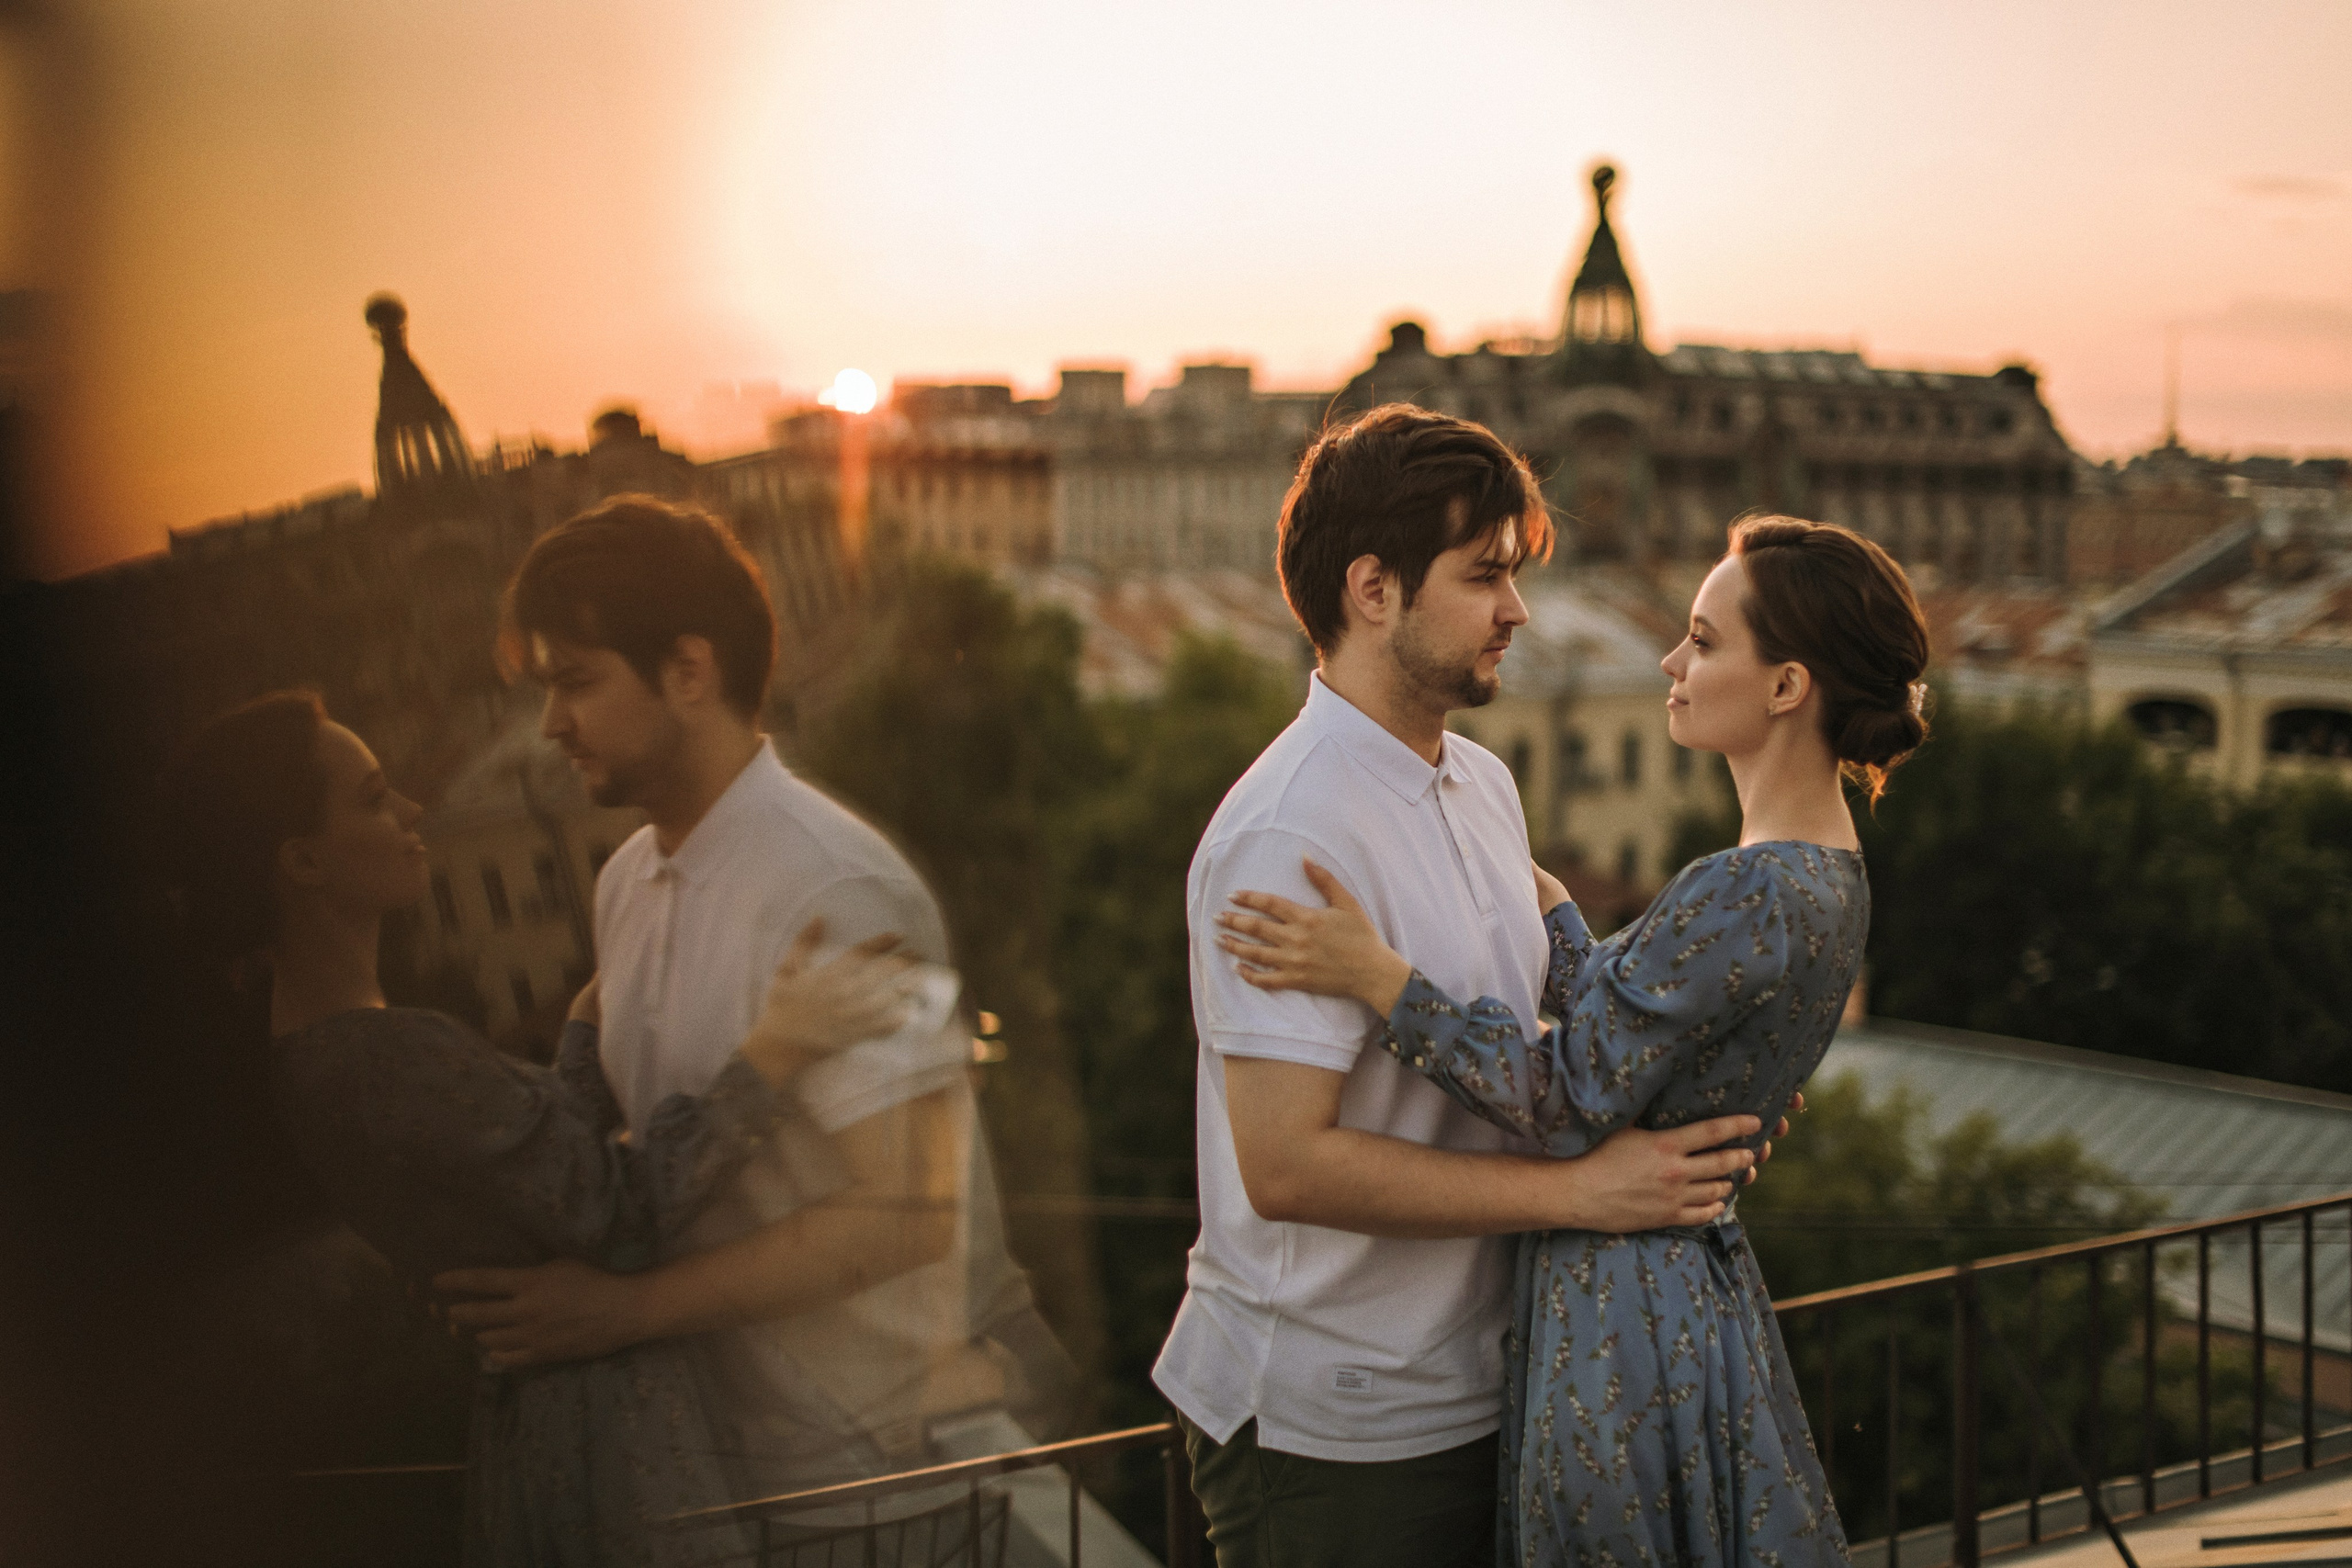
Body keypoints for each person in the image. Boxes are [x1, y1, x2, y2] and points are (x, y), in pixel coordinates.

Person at [1213, 515, 1932, 1567]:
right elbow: (1631, 1027)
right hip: (1690, 1288)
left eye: (1703, 641)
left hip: (1620, 1305)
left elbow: (1564, 1091)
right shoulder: (1831, 875)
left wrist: (1380, 981)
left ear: (1786, 687)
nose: (1671, 662)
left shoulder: (1739, 887)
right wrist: (1542, 900)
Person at [1153, 405, 1772, 1568]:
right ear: (1372, 590)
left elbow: (1539, 1045)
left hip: (1483, 1386)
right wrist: (1580, 1195)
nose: (1517, 609)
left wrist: (1697, 1113)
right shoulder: (1287, 836)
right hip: (1335, 1429)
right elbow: (1283, 1168)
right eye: (1484, 575)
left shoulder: (1480, 784)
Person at [157, 689, 916, 1566]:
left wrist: (592, 1011)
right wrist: (782, 1043)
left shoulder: (314, 1057)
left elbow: (551, 1168)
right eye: (372, 799)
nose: (412, 809)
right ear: (303, 860)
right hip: (618, 1449)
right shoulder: (386, 1056)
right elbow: (620, 1204)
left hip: (551, 1442)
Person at [434, 496, 1059, 1540]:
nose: (550, 724)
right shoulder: (629, 881)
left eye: (576, 682)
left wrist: (625, 1311)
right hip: (727, 1474)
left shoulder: (833, 883)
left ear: (689, 670)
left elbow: (907, 1212)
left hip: (878, 1481)